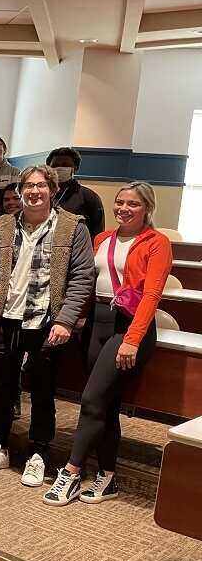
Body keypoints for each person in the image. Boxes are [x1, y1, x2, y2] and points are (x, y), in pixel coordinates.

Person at [44, 183, 172, 506]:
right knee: (106, 405)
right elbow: (87, 282)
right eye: (120, 202)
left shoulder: (157, 243)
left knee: (90, 399)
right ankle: (108, 475)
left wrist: (132, 340)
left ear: (147, 208)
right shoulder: (102, 238)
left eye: (133, 204)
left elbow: (151, 296)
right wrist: (76, 319)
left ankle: (71, 472)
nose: (124, 209)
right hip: (97, 325)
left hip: (128, 328)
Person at [0, 165, 94, 487]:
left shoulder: (73, 227)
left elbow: (82, 277)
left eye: (41, 185)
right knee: (0, 387)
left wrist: (66, 319)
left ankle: (39, 452)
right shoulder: (3, 225)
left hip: (47, 321)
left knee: (42, 391)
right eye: (28, 185)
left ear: (53, 190)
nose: (34, 191)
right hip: (6, 317)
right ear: (20, 190)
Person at [47, 147, 105, 238]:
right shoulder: (42, 194)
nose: (60, 168)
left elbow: (97, 232)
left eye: (65, 165)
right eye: (55, 165)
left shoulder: (89, 197)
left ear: (75, 168)